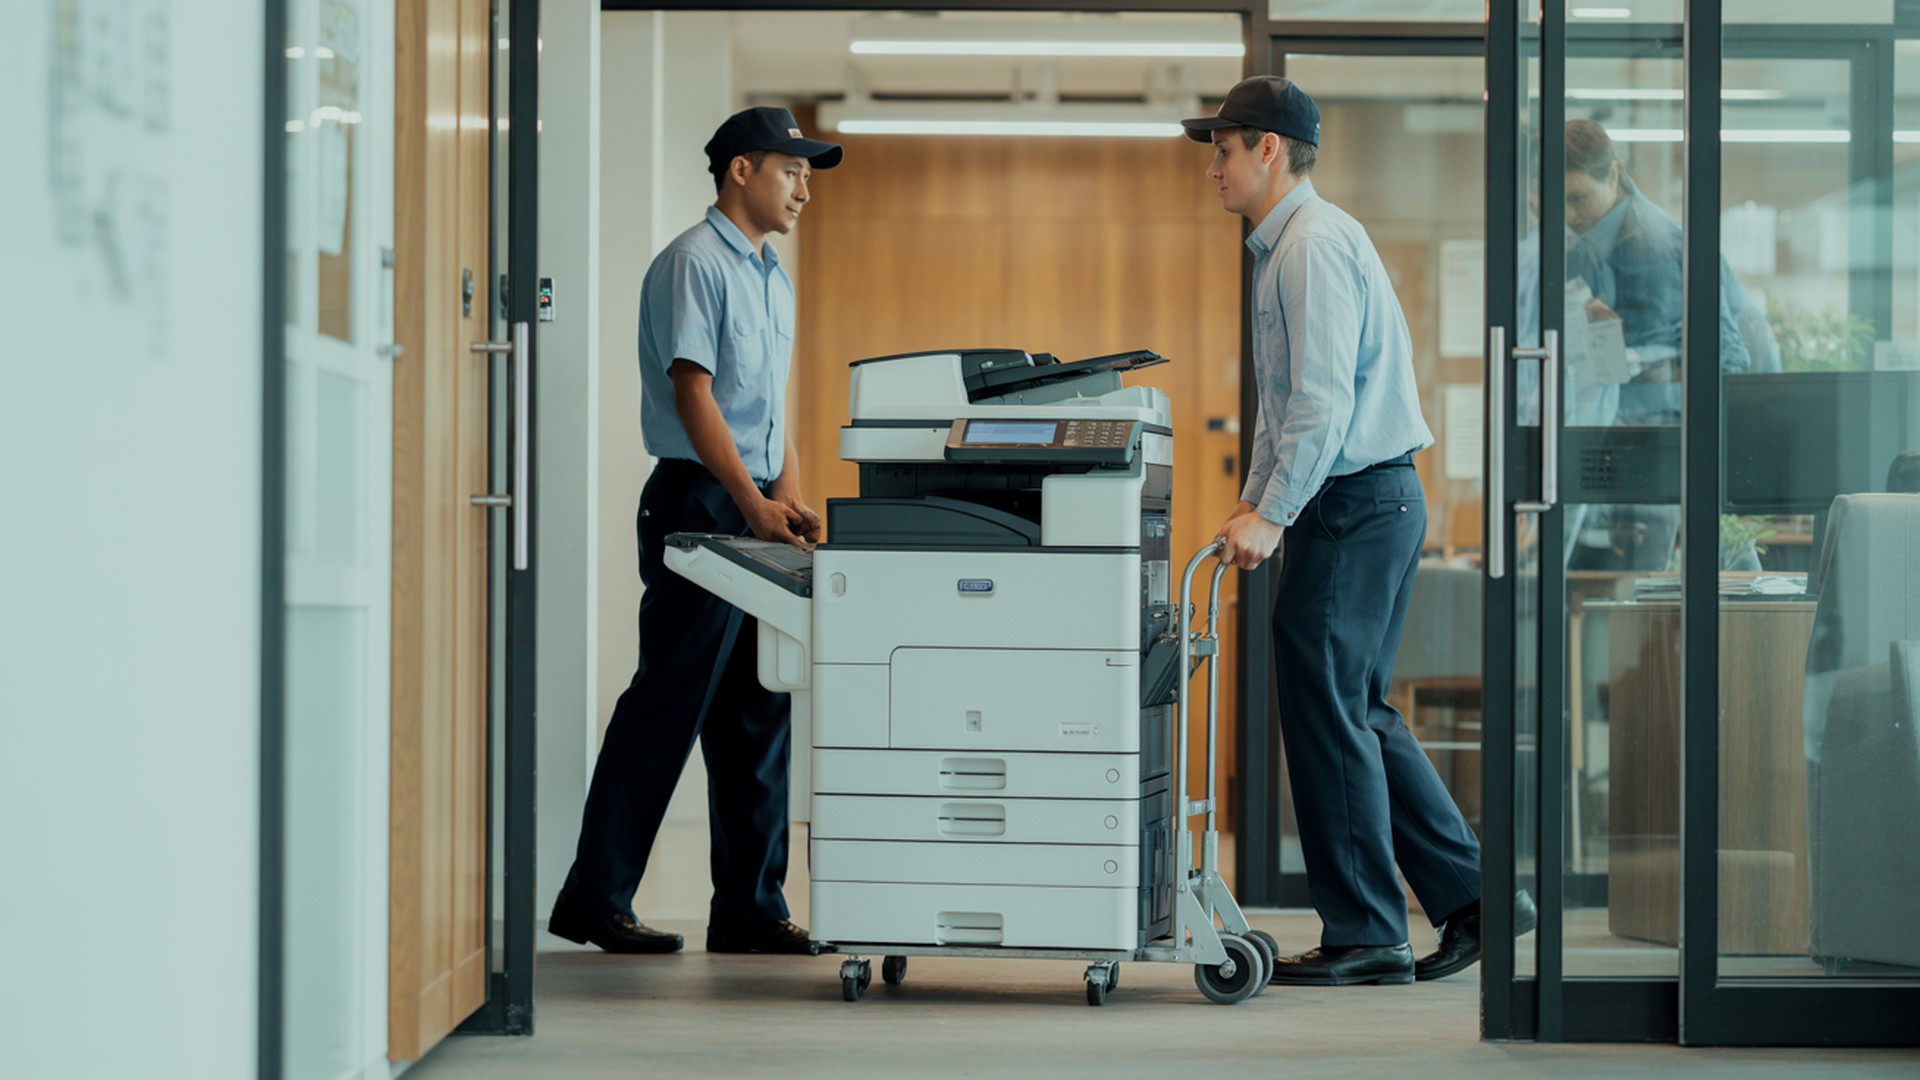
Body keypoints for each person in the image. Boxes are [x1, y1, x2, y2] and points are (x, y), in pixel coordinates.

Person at [1183, 76, 1533, 986]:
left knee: (1331, 709)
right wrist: (1255, 502)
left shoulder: (1310, 246)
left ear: (1268, 149)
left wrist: (1275, 512)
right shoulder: (1288, 245)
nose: (1213, 168)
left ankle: (1369, 933)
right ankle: (1475, 896)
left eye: (1222, 150)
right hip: (1360, 503)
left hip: (1356, 504)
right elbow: (1284, 408)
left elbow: (1323, 403)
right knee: (1355, 708)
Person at [547, 107, 841, 956]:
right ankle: (594, 898)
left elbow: (769, 409)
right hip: (700, 502)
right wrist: (750, 501)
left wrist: (787, 498)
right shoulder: (694, 263)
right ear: (742, 170)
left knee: (759, 706)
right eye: (791, 170)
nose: (803, 189)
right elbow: (694, 393)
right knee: (669, 701)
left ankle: (750, 908)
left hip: (751, 501)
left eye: (808, 175)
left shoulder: (772, 278)